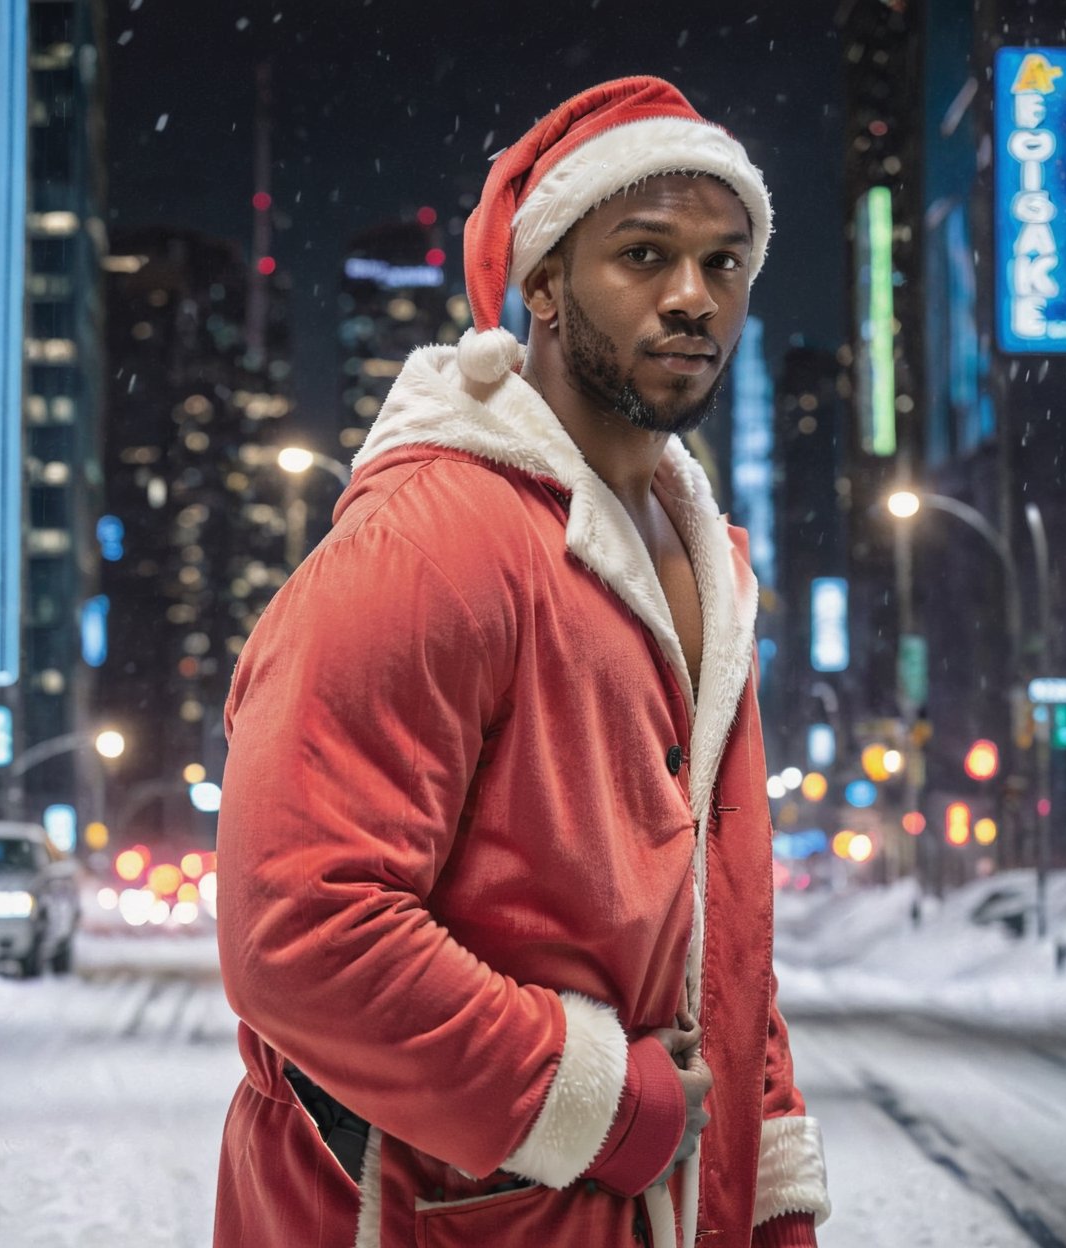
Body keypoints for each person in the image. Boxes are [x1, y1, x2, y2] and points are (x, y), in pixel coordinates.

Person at [214, 76, 831, 1248]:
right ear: (542, 283)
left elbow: (722, 942)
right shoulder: (430, 546)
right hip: (426, 1216)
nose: (694, 297)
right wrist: (594, 1103)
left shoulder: (716, 568)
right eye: (643, 255)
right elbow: (295, 929)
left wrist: (767, 1202)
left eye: (726, 261)